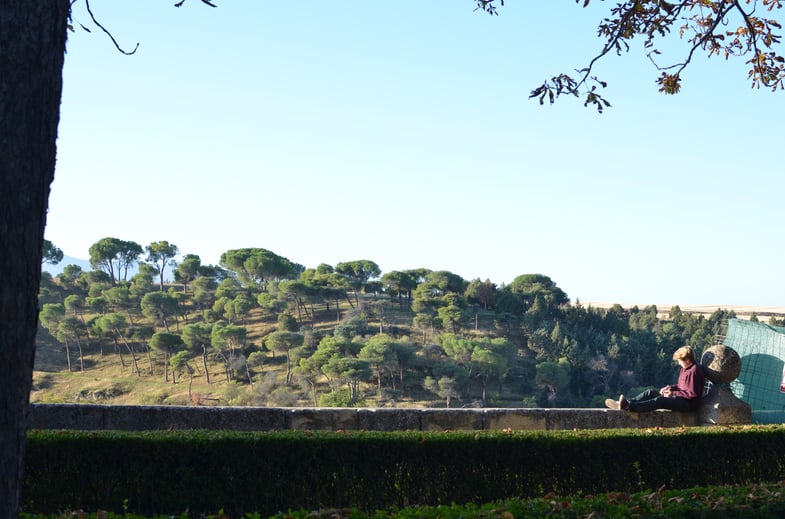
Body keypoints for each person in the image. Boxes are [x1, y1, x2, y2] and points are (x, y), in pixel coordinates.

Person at [605, 345, 705, 412]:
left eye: (680, 361)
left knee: (660, 401)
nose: (679, 363)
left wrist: (673, 394)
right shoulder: (685, 368)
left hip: (688, 405)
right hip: (680, 399)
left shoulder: (695, 371)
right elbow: (681, 386)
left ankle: (629, 407)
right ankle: (626, 403)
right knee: (650, 392)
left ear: (687, 360)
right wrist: (669, 388)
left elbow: (692, 394)